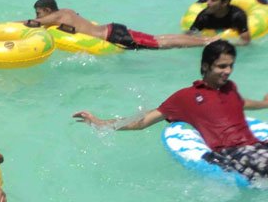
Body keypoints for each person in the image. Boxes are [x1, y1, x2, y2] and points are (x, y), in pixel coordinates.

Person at [73, 40, 268, 181]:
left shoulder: (229, 88)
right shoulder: (186, 97)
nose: (228, 71)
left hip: (257, 147)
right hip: (233, 154)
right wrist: (100, 123)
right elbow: (142, 121)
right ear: (206, 66)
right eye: (222, 66)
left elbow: (240, 103)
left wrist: (264, 103)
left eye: (231, 66)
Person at [26, 0, 212, 50]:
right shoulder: (67, 11)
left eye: (39, 13)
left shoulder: (57, 16)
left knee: (161, 43)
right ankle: (203, 40)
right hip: (112, 29)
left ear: (48, 10)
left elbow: (33, 23)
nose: (38, 16)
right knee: (158, 38)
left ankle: (205, 42)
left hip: (114, 36)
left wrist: (14, 24)